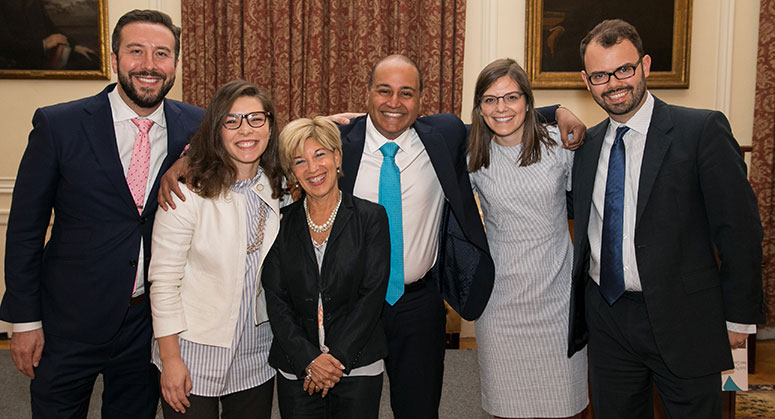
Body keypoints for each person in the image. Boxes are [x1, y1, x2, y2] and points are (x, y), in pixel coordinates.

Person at [159, 54, 586, 419]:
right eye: (384, 90)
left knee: (418, 408)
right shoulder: (338, 139)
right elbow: (263, 141)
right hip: (347, 303)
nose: (394, 102)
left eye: (406, 93)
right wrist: (190, 159)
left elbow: (500, 114)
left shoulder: (446, 135)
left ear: (422, 98)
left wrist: (555, 112)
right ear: (367, 93)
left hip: (418, 303)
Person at [0, 9, 204, 418]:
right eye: (136, 51)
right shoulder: (59, 125)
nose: (149, 65)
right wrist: (24, 321)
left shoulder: (196, 124)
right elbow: (25, 228)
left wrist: (339, 125)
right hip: (67, 321)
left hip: (146, 322)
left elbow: (258, 142)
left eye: (162, 53)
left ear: (176, 64)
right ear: (115, 59)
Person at [567, 19, 764, 418]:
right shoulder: (585, 147)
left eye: (624, 69)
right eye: (602, 75)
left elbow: (740, 232)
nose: (615, 82)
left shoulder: (701, 130)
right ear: (587, 81)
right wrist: (555, 110)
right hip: (608, 320)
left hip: (686, 320)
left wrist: (739, 321)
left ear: (645, 66)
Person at [148, 80, 283, 418]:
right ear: (216, 129)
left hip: (256, 351)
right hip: (191, 351)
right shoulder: (186, 191)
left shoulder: (279, 186)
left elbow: (317, 146)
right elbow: (163, 281)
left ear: (269, 126)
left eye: (256, 118)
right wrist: (171, 360)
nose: (245, 129)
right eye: (232, 121)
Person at [467, 58, 587, 419]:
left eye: (511, 97)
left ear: (528, 101)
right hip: (500, 304)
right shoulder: (473, 155)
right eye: (490, 99)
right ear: (479, 108)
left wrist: (562, 112)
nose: (501, 108)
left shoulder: (560, 145)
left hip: (557, 301)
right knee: (506, 410)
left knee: (565, 408)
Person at [263, 116, 390, 418]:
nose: (313, 168)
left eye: (320, 154)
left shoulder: (370, 217)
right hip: (298, 368)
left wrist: (335, 360)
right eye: (299, 161)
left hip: (357, 364)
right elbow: (276, 300)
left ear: (336, 156)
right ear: (291, 172)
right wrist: (310, 360)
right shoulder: (280, 222)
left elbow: (371, 296)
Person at [0, 0, 98, 70]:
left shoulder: (33, 2)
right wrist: (44, 44)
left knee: (91, 60)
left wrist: (75, 46)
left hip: (42, 57)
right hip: (18, 63)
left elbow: (51, 28)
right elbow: (6, 45)